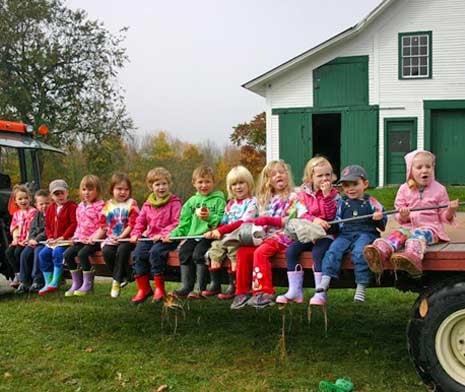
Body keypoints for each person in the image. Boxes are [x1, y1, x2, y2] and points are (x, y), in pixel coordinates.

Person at [364, 149, 459, 277]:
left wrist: (450, 210)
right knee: (398, 234)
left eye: (428, 167)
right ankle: (381, 252)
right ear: (410, 171)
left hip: (432, 229)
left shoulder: (439, 189)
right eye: (419, 167)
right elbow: (398, 213)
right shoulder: (404, 189)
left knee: (418, 236)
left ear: (433, 168)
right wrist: (403, 215)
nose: (424, 170)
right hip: (408, 227)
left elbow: (443, 216)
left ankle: (412, 258)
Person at [231, 160, 304, 310]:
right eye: (273, 174)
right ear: (268, 180)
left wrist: (267, 220)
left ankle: (264, 291)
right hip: (264, 236)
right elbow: (253, 218)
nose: (278, 175)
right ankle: (242, 291)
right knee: (243, 252)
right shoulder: (265, 198)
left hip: (284, 236)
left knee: (261, 252)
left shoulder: (294, 196)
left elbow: (289, 220)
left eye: (281, 172)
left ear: (287, 175)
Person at [315, 165, 386, 302]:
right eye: (346, 185)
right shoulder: (342, 203)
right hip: (346, 234)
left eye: (355, 184)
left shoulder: (371, 202)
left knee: (360, 253)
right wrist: (329, 226)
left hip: (365, 233)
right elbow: (338, 221)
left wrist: (379, 218)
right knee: (333, 250)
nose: (350, 189)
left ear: (365, 184)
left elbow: (382, 221)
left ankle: (361, 285)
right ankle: (326, 278)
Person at [276, 156, 339, 306]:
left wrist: (327, 196)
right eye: (320, 175)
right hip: (307, 233)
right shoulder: (302, 194)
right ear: (310, 177)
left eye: (328, 175)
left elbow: (331, 215)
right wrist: (314, 220)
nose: (324, 179)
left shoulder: (334, 194)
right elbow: (302, 213)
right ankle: (295, 290)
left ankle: (320, 292)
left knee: (318, 253)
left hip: (326, 234)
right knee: (291, 251)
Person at [167, 165, 226, 299]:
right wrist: (173, 235)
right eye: (200, 182)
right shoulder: (191, 202)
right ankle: (186, 286)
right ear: (194, 183)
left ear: (213, 182)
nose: (204, 185)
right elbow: (184, 223)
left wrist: (208, 217)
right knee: (184, 252)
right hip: (194, 235)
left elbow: (221, 220)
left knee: (199, 254)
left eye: (207, 182)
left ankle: (200, 288)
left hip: (209, 236)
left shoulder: (219, 200)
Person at [203, 165, 258, 299]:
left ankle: (234, 285)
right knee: (215, 249)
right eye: (234, 184)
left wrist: (221, 230)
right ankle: (215, 284)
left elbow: (242, 222)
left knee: (234, 251)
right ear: (230, 187)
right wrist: (216, 231)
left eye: (241, 183)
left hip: (241, 236)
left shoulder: (253, 202)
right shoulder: (230, 204)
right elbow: (224, 221)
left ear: (249, 184)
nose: (238, 187)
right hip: (226, 235)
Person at [130, 167, 181, 303]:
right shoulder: (148, 204)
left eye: (164, 184)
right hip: (151, 236)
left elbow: (177, 222)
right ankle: (144, 288)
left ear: (169, 184)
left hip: (168, 237)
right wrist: (136, 233)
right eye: (157, 184)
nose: (161, 187)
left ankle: (160, 288)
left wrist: (164, 233)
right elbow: (140, 222)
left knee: (155, 253)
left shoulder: (174, 203)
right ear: (151, 187)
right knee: (138, 254)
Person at [94, 173, 139, 298]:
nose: (123, 192)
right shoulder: (108, 205)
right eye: (119, 189)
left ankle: (116, 281)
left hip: (128, 238)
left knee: (123, 249)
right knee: (107, 251)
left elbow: (132, 224)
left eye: (126, 189)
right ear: (112, 189)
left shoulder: (131, 203)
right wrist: (95, 238)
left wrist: (121, 237)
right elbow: (103, 225)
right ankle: (126, 275)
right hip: (112, 238)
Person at [62, 175, 104, 296]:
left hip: (95, 241)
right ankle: (77, 282)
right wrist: (75, 237)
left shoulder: (101, 206)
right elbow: (79, 225)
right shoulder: (80, 207)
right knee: (68, 254)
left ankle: (88, 284)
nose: (87, 193)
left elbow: (103, 227)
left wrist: (93, 238)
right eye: (84, 189)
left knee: (83, 254)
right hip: (81, 239)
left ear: (97, 191)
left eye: (90, 190)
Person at [38, 179, 77, 295]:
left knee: (57, 253)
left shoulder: (72, 207)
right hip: (54, 241)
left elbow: (74, 223)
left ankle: (55, 281)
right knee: (43, 254)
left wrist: (64, 236)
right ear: (52, 196)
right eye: (56, 194)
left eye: (62, 193)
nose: (60, 196)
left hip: (66, 241)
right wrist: (50, 237)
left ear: (67, 193)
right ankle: (48, 282)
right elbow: (48, 225)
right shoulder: (51, 208)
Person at [16, 189, 51, 293]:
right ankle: (24, 281)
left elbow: (48, 230)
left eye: (47, 203)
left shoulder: (51, 215)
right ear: (36, 204)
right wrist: (31, 239)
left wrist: (36, 240)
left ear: (51, 203)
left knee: (38, 252)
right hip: (34, 242)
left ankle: (38, 280)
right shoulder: (37, 215)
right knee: (25, 253)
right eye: (41, 204)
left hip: (45, 242)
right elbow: (32, 228)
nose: (44, 206)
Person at [5, 185, 37, 288]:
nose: (23, 201)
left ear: (30, 198)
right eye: (20, 199)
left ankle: (25, 276)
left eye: (26, 198)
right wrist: (15, 239)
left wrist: (27, 240)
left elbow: (31, 228)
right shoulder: (16, 214)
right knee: (9, 252)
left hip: (28, 239)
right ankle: (17, 275)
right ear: (15, 201)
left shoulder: (33, 212)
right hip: (19, 240)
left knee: (19, 252)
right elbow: (14, 227)